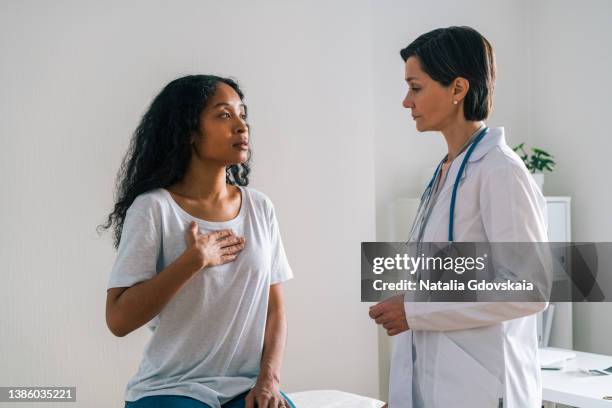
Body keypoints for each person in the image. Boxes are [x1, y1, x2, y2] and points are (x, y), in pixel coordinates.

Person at [368, 27, 548, 407]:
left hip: (482, 391)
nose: (406, 101)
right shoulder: (446, 172)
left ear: (457, 89)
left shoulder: (501, 171)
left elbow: (530, 289)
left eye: (415, 88)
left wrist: (416, 309)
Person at [99, 75, 295, 408]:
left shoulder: (260, 208)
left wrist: (268, 381)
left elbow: (275, 311)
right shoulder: (154, 208)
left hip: (243, 387)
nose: (241, 126)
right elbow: (118, 320)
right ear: (189, 131)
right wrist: (193, 261)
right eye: (224, 115)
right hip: (171, 389)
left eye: (242, 114)